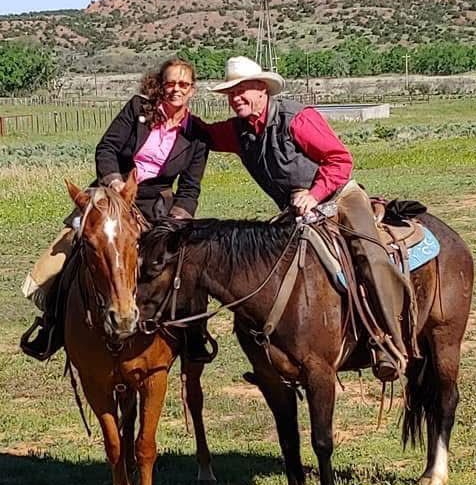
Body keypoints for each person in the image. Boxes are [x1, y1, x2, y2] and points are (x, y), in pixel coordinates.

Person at [195, 55, 412, 382]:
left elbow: (340, 159)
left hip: (340, 197)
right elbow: (205, 135)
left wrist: (314, 192)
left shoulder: (295, 118)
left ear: (262, 90)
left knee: (371, 256)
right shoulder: (239, 131)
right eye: (230, 92)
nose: (235, 98)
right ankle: (277, 354)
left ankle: (387, 341)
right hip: (296, 211)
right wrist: (170, 112)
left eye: (242, 90)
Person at [20, 58, 209, 361]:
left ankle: (194, 335)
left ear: (192, 90)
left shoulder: (197, 134)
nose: (176, 89)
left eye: (183, 84)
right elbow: (106, 148)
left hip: (157, 204)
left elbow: (189, 189)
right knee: (66, 251)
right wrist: (115, 181)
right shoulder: (137, 109)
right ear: (160, 84)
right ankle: (51, 326)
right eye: (171, 83)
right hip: (112, 193)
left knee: (189, 264)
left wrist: (177, 220)